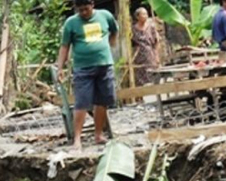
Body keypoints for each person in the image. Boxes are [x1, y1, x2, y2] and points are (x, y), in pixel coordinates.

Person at [56, 0, 118, 149]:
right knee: (82, 103)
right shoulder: (71, 23)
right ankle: (77, 139)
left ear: (92, 5)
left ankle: (98, 135)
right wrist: (60, 68)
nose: (84, 13)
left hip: (104, 66)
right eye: (80, 10)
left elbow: (114, 30)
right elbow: (65, 46)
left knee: (103, 101)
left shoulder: (105, 16)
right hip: (82, 68)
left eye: (86, 9)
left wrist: (110, 46)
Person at [132, 7, 159, 87]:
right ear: (137, 17)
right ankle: (141, 98)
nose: (146, 16)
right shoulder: (133, 29)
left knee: (152, 76)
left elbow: (156, 42)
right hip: (139, 57)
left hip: (150, 56)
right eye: (143, 14)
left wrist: (156, 55)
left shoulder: (151, 27)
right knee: (140, 80)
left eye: (146, 14)